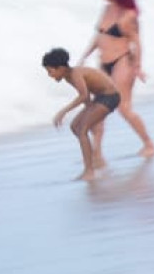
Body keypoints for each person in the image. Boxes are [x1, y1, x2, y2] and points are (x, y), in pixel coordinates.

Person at [78, 0, 154, 158]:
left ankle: (149, 144)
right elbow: (99, 37)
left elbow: (137, 42)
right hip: (103, 63)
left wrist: (138, 67)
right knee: (97, 109)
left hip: (122, 62)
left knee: (123, 108)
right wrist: (84, 57)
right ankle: (97, 153)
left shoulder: (128, 14)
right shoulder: (106, 9)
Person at [43, 47, 123, 181]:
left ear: (61, 68)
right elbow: (86, 96)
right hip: (100, 98)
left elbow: (83, 94)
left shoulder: (75, 74)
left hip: (111, 97)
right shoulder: (68, 77)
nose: (49, 75)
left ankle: (89, 171)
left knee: (82, 130)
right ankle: (92, 163)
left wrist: (63, 112)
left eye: (50, 71)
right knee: (75, 127)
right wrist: (89, 110)